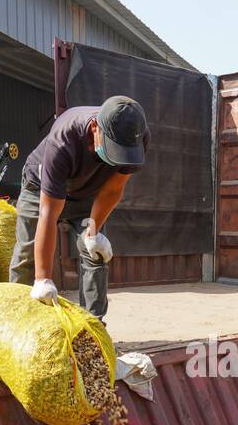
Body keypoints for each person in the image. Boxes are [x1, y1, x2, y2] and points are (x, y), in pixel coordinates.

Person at [9, 95, 150, 318]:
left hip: (88, 193)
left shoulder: (136, 139)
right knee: (28, 252)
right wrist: (43, 279)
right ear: (95, 128)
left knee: (94, 253)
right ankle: (19, 320)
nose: (116, 159)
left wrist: (92, 233)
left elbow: (113, 190)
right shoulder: (64, 138)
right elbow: (48, 213)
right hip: (41, 188)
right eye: (113, 149)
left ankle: (93, 325)